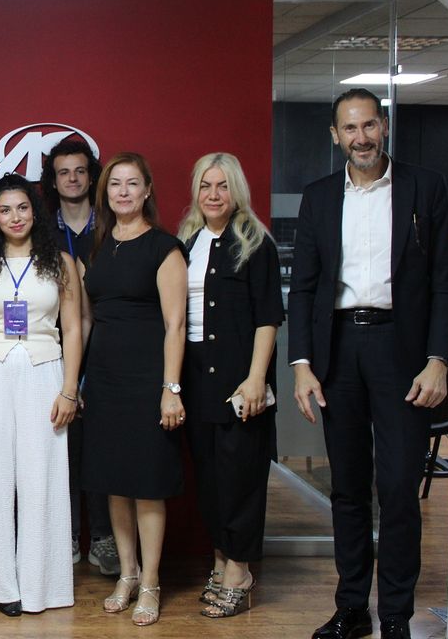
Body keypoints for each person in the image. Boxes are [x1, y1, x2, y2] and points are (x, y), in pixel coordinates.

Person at [290, 88, 448, 639]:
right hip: (338, 351)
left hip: (402, 352)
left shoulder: (425, 187)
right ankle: (352, 609)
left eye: (368, 126)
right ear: (334, 135)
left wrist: (439, 360)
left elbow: (445, 283)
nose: (360, 138)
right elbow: (306, 289)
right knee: (347, 488)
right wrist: (302, 364)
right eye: (349, 128)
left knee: (399, 486)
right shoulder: (318, 197)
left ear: (383, 126)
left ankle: (395, 615)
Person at [0, 173, 82, 616]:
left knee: (42, 478)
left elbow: (73, 329)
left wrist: (69, 390)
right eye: (5, 210)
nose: (15, 217)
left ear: (35, 212)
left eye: (22, 207)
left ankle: (41, 585)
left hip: (45, 373)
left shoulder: (60, 263)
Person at [80, 152, 187, 627]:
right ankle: (127, 574)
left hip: (148, 381)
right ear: (105, 194)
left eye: (132, 183)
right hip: (104, 380)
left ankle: (151, 583)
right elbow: (87, 317)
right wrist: (80, 380)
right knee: (115, 484)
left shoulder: (165, 248)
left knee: (146, 485)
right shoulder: (99, 246)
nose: (123, 192)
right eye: (115, 184)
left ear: (147, 191)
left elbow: (176, 325)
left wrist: (171, 388)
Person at [177, 152, 283, 618]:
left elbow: (268, 318)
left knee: (241, 477)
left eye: (222, 186)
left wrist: (256, 377)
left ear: (236, 190)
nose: (214, 195)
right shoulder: (187, 243)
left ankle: (240, 571)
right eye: (206, 186)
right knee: (210, 478)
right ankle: (220, 561)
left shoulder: (257, 244)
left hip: (240, 377)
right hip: (195, 376)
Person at [40, 136, 117, 576]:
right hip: (54, 350)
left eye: (80, 171)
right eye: (63, 172)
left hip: (106, 350)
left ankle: (103, 537)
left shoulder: (111, 225)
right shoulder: (41, 230)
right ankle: (65, 533)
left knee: (102, 449)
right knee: (60, 448)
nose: (72, 179)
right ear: (53, 181)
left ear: (92, 177)